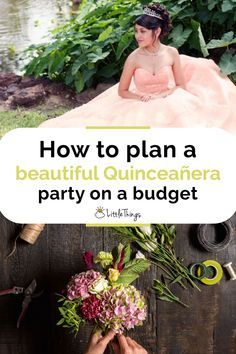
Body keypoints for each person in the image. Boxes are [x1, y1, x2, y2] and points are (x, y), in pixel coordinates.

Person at [40, 3, 236, 133]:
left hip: (168, 97)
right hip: (139, 100)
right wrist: (140, 97)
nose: (137, 36)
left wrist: (163, 95)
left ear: (157, 31)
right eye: (136, 31)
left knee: (186, 117)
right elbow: (123, 90)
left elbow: (180, 86)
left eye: (142, 31)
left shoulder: (171, 54)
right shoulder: (133, 58)